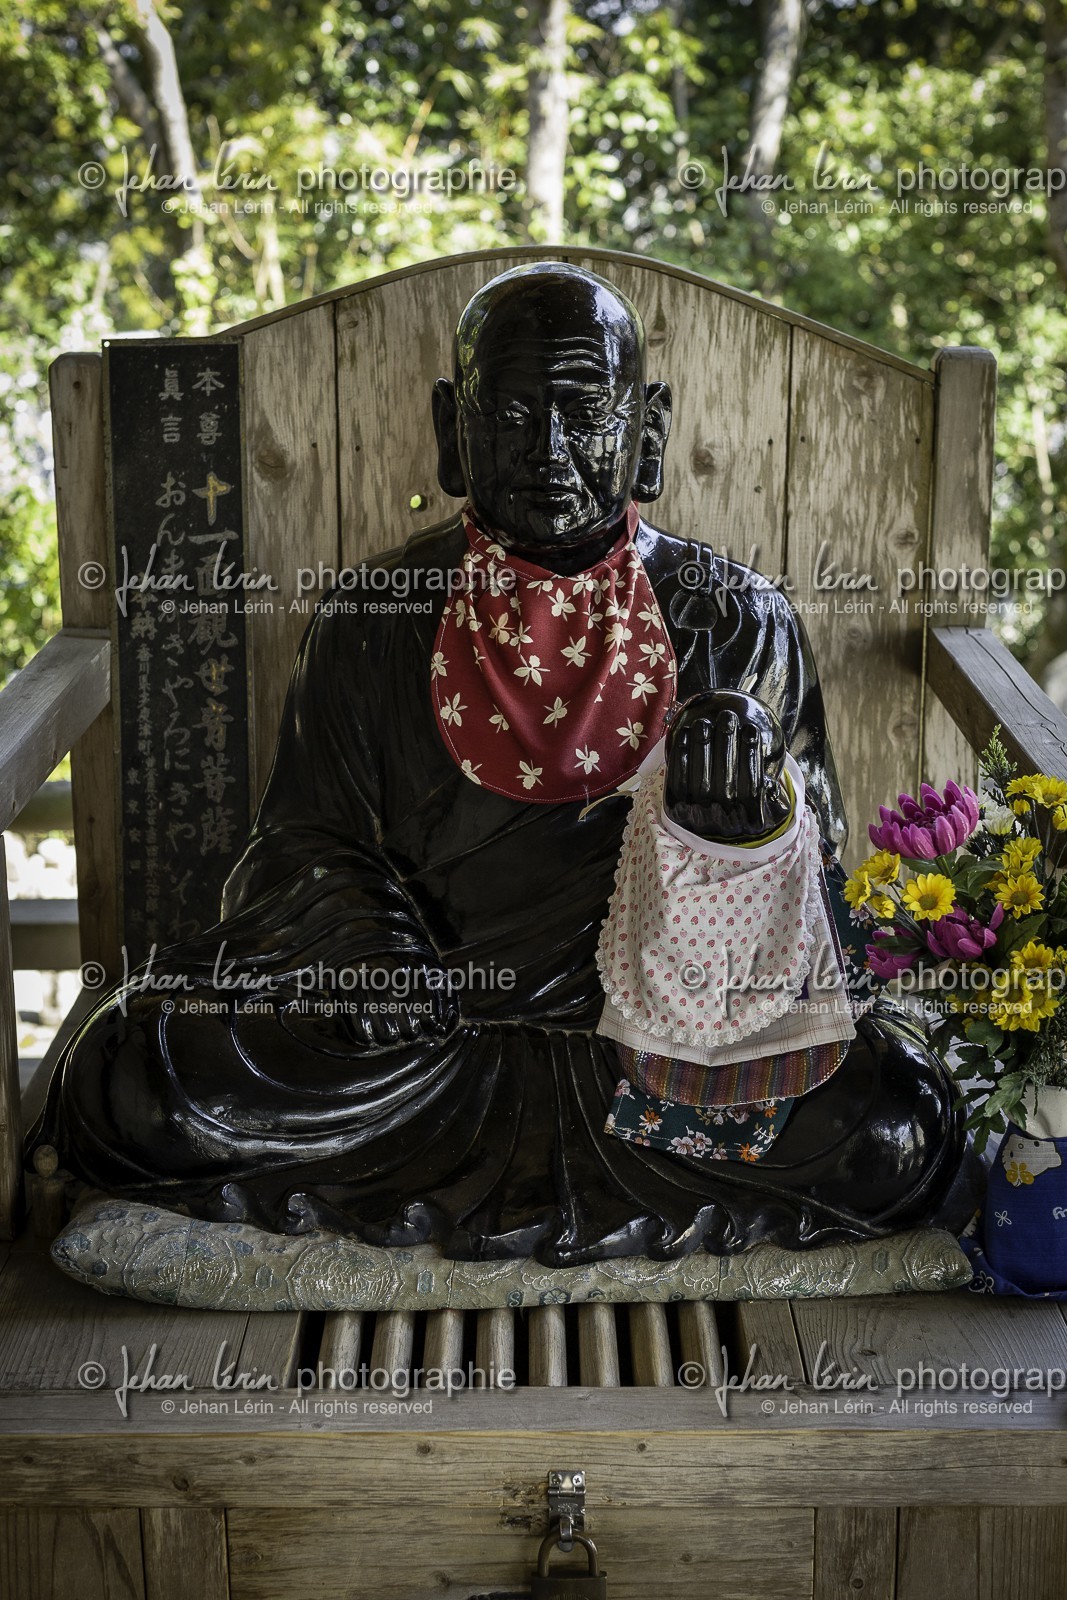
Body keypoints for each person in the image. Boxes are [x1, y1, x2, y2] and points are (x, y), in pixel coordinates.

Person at [30, 263, 968, 1265]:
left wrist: (744, 826)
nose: (548, 450)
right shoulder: (370, 617)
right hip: (420, 1050)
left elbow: (819, 905)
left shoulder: (737, 620)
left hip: (661, 1053)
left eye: (584, 412)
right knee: (134, 1067)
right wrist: (366, 946)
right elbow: (300, 843)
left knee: (896, 1113)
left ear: (648, 429)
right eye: (511, 415)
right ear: (453, 428)